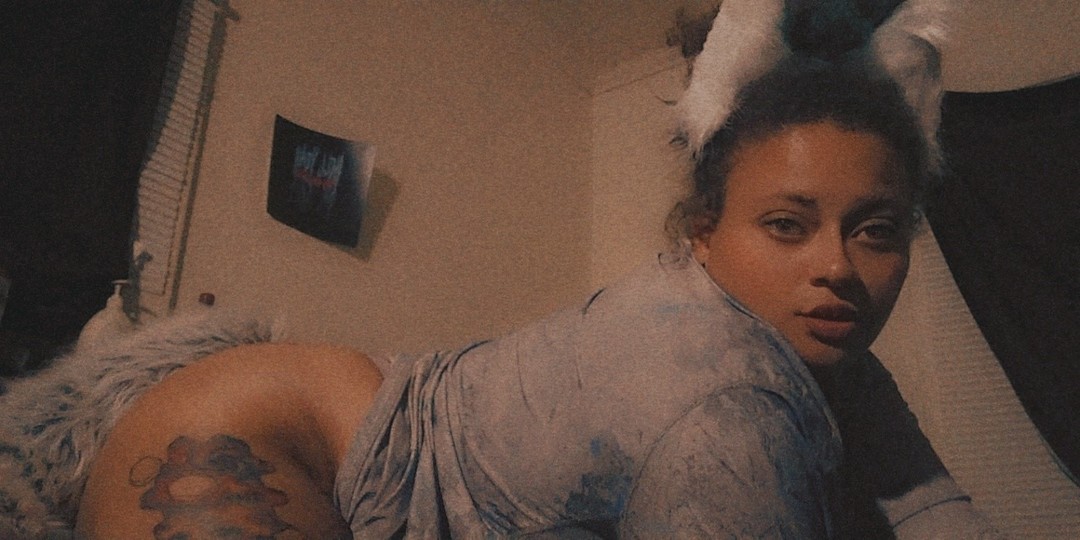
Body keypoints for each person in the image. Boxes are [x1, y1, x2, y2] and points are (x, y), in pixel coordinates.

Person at [76, 3, 1001, 539]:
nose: (836, 267)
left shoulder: (832, 359)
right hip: (244, 439)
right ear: (703, 236)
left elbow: (930, 509)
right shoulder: (731, 410)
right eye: (787, 225)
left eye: (876, 231)